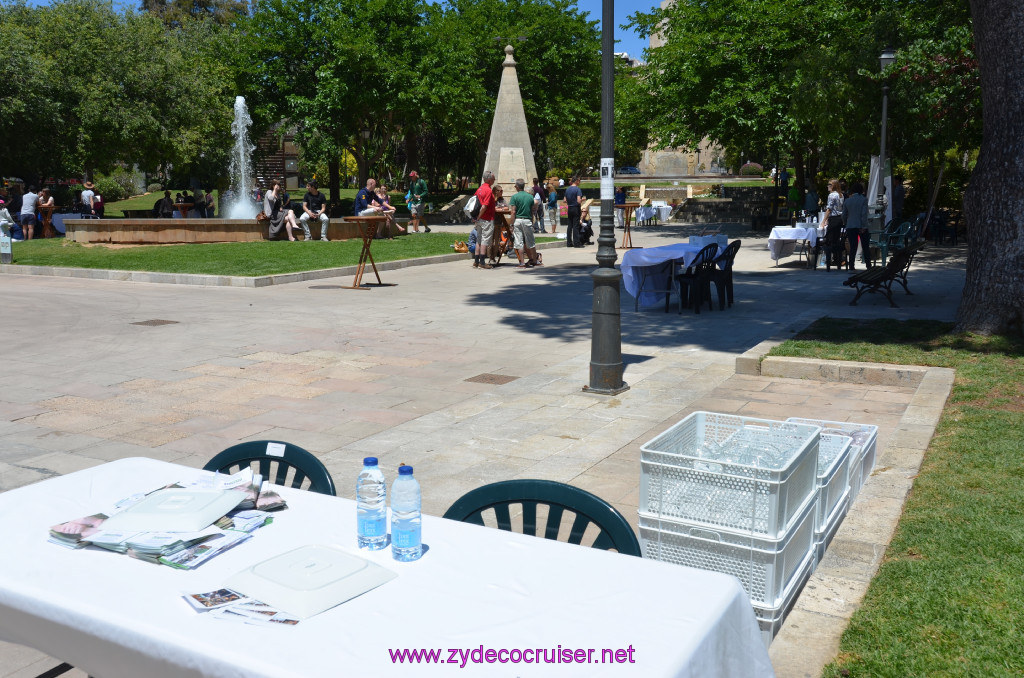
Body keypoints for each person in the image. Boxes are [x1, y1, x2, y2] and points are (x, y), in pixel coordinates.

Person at [509, 178, 538, 267]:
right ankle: (535, 260)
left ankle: (522, 262)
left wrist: (511, 224)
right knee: (531, 241)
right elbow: (532, 210)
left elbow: (513, 211)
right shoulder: (530, 197)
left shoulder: (514, 197)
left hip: (518, 220)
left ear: (517, 186)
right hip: (527, 220)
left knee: (519, 242)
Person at [472, 171, 496, 269]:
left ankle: (476, 261)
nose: (494, 180)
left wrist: (475, 217)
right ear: (489, 180)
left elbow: (473, 202)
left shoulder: (480, 189)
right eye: (493, 179)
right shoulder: (488, 190)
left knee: (479, 239)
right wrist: (479, 216)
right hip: (486, 219)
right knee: (485, 240)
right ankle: (482, 262)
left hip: (479, 219)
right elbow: (484, 206)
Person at [842, 182, 869, 271]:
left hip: (850, 225)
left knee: (853, 246)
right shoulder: (864, 200)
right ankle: (868, 265)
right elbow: (864, 214)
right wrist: (864, 226)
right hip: (861, 225)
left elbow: (844, 215)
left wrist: (846, 223)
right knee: (865, 246)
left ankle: (851, 266)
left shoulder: (847, 201)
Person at [820, 178, 845, 269]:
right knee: (836, 239)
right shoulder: (841, 195)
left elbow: (829, 209)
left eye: (829, 184)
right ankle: (838, 260)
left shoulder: (832, 195)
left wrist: (823, 221)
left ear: (833, 186)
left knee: (829, 240)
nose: (827, 186)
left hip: (834, 219)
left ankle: (828, 261)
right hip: (839, 219)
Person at [564, 176, 583, 248]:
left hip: (570, 208)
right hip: (575, 208)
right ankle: (576, 243)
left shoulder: (568, 189)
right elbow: (578, 200)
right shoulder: (578, 189)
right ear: (577, 181)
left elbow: (564, 200)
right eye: (579, 181)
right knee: (575, 226)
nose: (580, 182)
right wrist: (582, 199)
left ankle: (569, 242)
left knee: (570, 225)